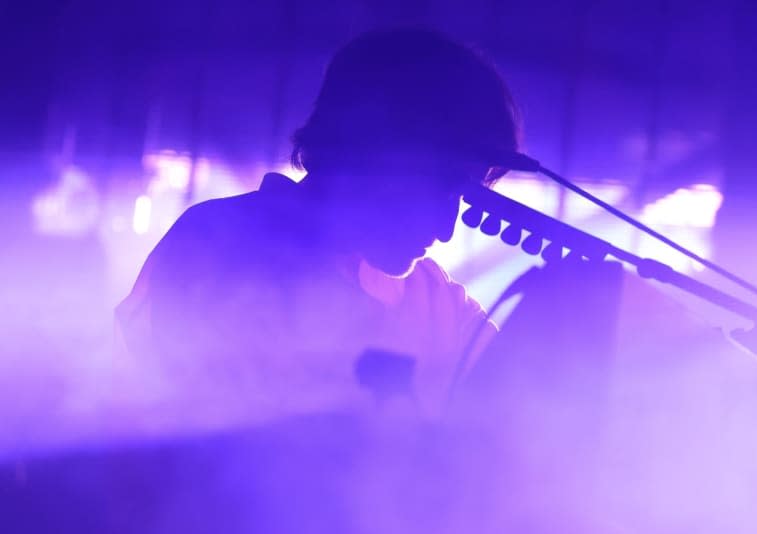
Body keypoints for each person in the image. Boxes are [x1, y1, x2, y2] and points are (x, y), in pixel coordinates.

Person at [114, 28, 522, 433]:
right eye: (439, 188)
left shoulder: (434, 301)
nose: (446, 228)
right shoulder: (216, 243)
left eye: (462, 197)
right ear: (373, 147)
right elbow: (224, 440)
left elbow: (524, 404)